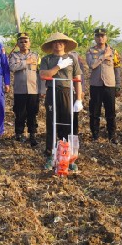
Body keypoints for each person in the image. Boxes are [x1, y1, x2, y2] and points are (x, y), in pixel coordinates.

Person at [39, 32, 83, 168]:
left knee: (69, 123)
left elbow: (77, 79)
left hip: (67, 93)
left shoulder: (72, 59)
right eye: (55, 42)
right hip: (52, 91)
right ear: (52, 44)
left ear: (65, 44)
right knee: (52, 123)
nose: (58, 44)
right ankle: (51, 155)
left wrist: (79, 99)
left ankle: (69, 157)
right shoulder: (47, 59)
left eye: (61, 42)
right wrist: (58, 66)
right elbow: (43, 75)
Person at [85, 28, 121, 143]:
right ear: (95, 38)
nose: (100, 38)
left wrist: (118, 85)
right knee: (94, 111)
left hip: (109, 85)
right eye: (98, 36)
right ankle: (95, 135)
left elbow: (117, 68)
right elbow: (92, 65)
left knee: (111, 112)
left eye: (102, 36)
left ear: (106, 37)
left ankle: (112, 135)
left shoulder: (113, 51)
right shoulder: (90, 51)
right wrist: (103, 56)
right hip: (96, 85)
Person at [8, 32, 43, 147]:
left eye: (26, 41)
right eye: (21, 41)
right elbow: (12, 67)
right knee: (20, 113)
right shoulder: (14, 56)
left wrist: (42, 90)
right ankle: (19, 134)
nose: (23, 43)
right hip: (20, 90)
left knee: (32, 112)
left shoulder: (36, 55)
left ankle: (32, 134)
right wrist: (26, 62)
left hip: (34, 89)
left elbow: (40, 72)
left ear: (29, 43)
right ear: (18, 44)